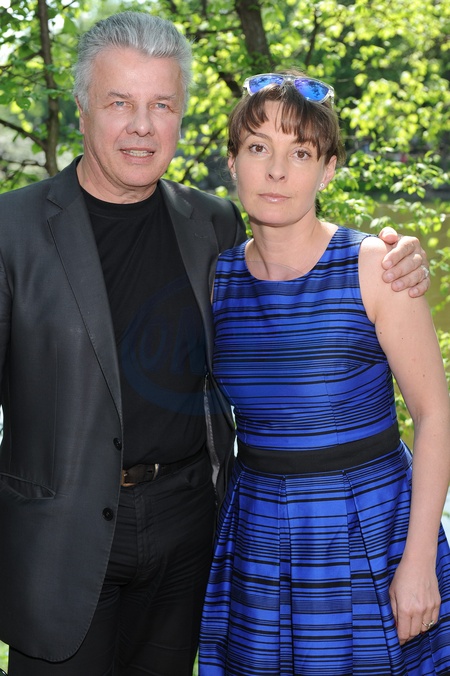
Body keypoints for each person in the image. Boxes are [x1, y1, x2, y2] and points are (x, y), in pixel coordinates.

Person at [0, 12, 429, 675]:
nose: (142, 126)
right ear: (82, 108)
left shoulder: (212, 225)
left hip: (192, 533)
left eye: (161, 105)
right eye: (120, 103)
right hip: (64, 545)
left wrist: (399, 258)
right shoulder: (12, 230)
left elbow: (303, 271)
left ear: (180, 117)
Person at [199, 71, 450, 675]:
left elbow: (435, 415)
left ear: (328, 169)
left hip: (369, 529)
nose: (276, 171)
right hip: (257, 532)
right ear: (232, 161)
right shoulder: (216, 279)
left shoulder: (376, 267)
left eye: (300, 153)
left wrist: (418, 560)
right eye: (257, 147)